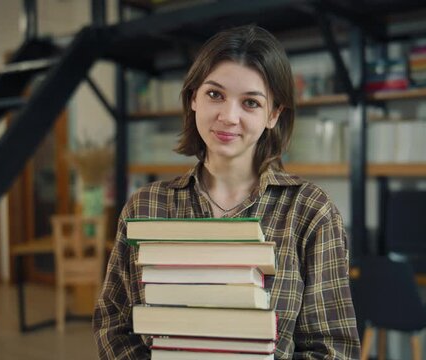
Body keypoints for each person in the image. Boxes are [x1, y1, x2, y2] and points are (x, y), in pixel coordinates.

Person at [93, 25, 360, 359]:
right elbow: (113, 324)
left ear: (273, 115)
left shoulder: (310, 210)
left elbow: (333, 347)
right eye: (215, 95)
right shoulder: (146, 206)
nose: (228, 116)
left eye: (250, 102)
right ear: (193, 97)